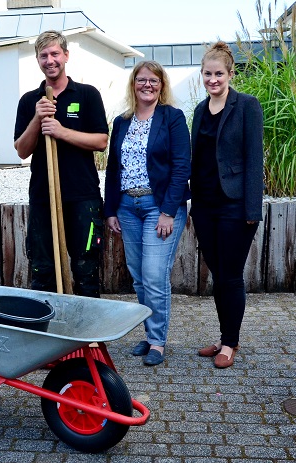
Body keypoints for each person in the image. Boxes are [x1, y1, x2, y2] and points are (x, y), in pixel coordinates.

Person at [104, 61, 191, 366]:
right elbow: (113, 168)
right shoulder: (122, 121)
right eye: (141, 80)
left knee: (154, 276)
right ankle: (150, 332)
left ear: (162, 85)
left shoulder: (173, 118)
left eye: (153, 81)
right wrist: (111, 208)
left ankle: (157, 341)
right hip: (127, 208)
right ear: (133, 84)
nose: (147, 85)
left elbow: (182, 166)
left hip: (160, 207)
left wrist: (168, 211)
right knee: (139, 278)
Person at [14, 30, 108, 297]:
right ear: (37, 60)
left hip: (82, 197)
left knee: (85, 270)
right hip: (44, 198)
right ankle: (50, 335)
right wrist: (37, 118)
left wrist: (60, 131)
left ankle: (89, 337)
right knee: (43, 272)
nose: (50, 60)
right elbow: (22, 150)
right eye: (43, 55)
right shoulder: (29, 101)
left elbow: (101, 140)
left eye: (55, 53)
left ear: (66, 56)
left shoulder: (88, 95)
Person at [190, 41, 264, 369]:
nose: (213, 79)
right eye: (207, 73)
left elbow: (253, 159)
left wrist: (252, 210)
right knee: (218, 275)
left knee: (231, 276)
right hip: (205, 206)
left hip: (235, 206)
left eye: (219, 73)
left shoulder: (247, 106)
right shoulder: (198, 111)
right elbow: (195, 160)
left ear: (230, 74)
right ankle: (224, 336)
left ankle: (230, 343)